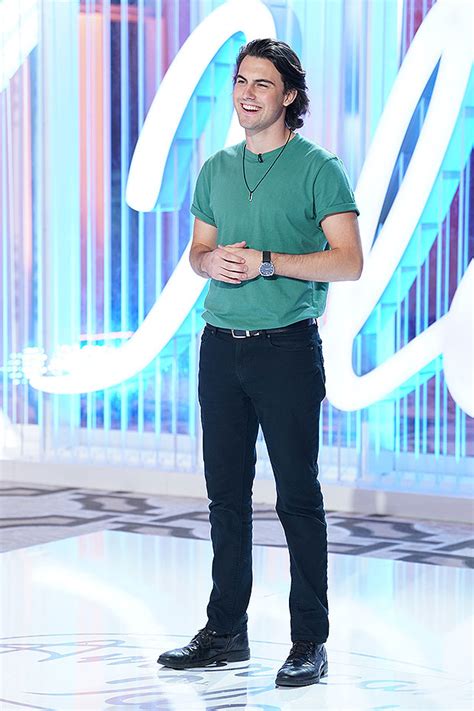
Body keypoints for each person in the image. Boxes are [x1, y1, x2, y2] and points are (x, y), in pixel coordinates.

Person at [157, 38, 362, 688]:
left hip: (286, 350)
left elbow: (349, 261)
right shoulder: (216, 168)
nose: (247, 94)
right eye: (241, 81)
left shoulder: (318, 168)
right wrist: (208, 262)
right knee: (225, 497)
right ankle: (226, 632)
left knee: (297, 497)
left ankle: (309, 641)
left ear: (289, 95)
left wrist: (268, 263)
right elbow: (199, 250)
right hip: (220, 346)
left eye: (262, 84)